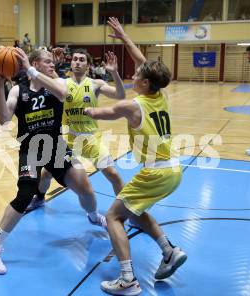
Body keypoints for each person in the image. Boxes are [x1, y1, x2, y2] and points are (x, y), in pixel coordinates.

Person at [84, 17, 187, 295]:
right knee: (135, 211)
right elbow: (143, 61)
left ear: (143, 82)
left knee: (114, 216)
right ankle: (169, 251)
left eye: (136, 75)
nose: (132, 75)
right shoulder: (159, 94)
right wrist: (124, 37)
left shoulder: (132, 105)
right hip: (172, 169)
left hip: (156, 171)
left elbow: (97, 113)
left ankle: (127, 279)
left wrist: (81, 106)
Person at [0, 49, 107, 275]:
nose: (53, 65)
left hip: (55, 146)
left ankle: (93, 216)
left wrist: (29, 70)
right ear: (35, 63)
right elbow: (3, 119)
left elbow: (62, 93)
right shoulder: (18, 91)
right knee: (25, 194)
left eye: (52, 61)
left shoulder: (57, 83)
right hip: (30, 149)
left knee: (86, 189)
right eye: (48, 61)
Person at [25, 48, 126, 212]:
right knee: (46, 173)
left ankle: (126, 208)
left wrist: (114, 73)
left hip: (92, 140)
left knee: (113, 174)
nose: (78, 62)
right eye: (75, 59)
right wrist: (53, 63)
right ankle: (40, 198)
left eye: (82, 60)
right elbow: (42, 74)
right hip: (71, 139)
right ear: (71, 63)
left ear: (88, 65)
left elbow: (120, 95)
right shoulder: (62, 83)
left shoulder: (96, 84)